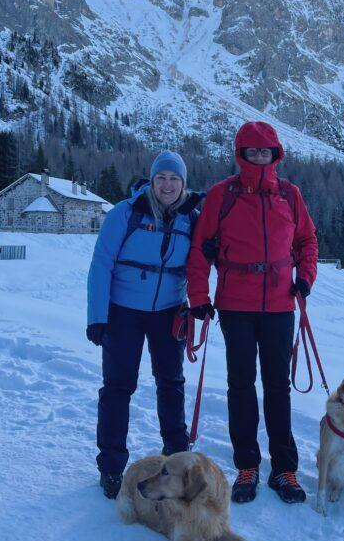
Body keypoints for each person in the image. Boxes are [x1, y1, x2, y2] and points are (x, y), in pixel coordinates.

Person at [187, 121, 318, 505]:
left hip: (280, 305)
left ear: (275, 155)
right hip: (235, 306)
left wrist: (305, 278)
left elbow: (307, 240)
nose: (259, 157)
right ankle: (247, 465)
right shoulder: (221, 196)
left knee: (278, 387)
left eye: (266, 152)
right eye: (252, 151)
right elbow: (200, 251)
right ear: (240, 154)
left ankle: (284, 469)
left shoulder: (289, 195)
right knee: (241, 386)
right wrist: (199, 297)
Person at [86, 150, 203, 499]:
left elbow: (200, 264)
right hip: (124, 312)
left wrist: (200, 305)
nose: (167, 185)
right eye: (161, 178)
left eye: (174, 179)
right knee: (118, 387)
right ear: (151, 181)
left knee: (171, 384)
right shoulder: (126, 213)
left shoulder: (192, 219)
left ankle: (178, 460)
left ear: (183, 183)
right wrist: (97, 317)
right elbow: (101, 264)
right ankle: (111, 467)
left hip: (170, 313)